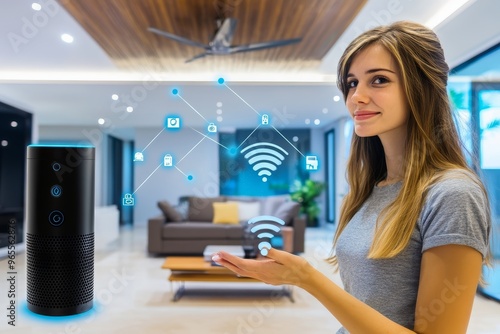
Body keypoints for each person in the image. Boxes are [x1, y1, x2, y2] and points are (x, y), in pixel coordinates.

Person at [212, 21, 491, 334]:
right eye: (352, 83)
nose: (356, 96)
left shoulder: (452, 194)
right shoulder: (371, 189)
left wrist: (307, 279)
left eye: (379, 80)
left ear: (422, 86)